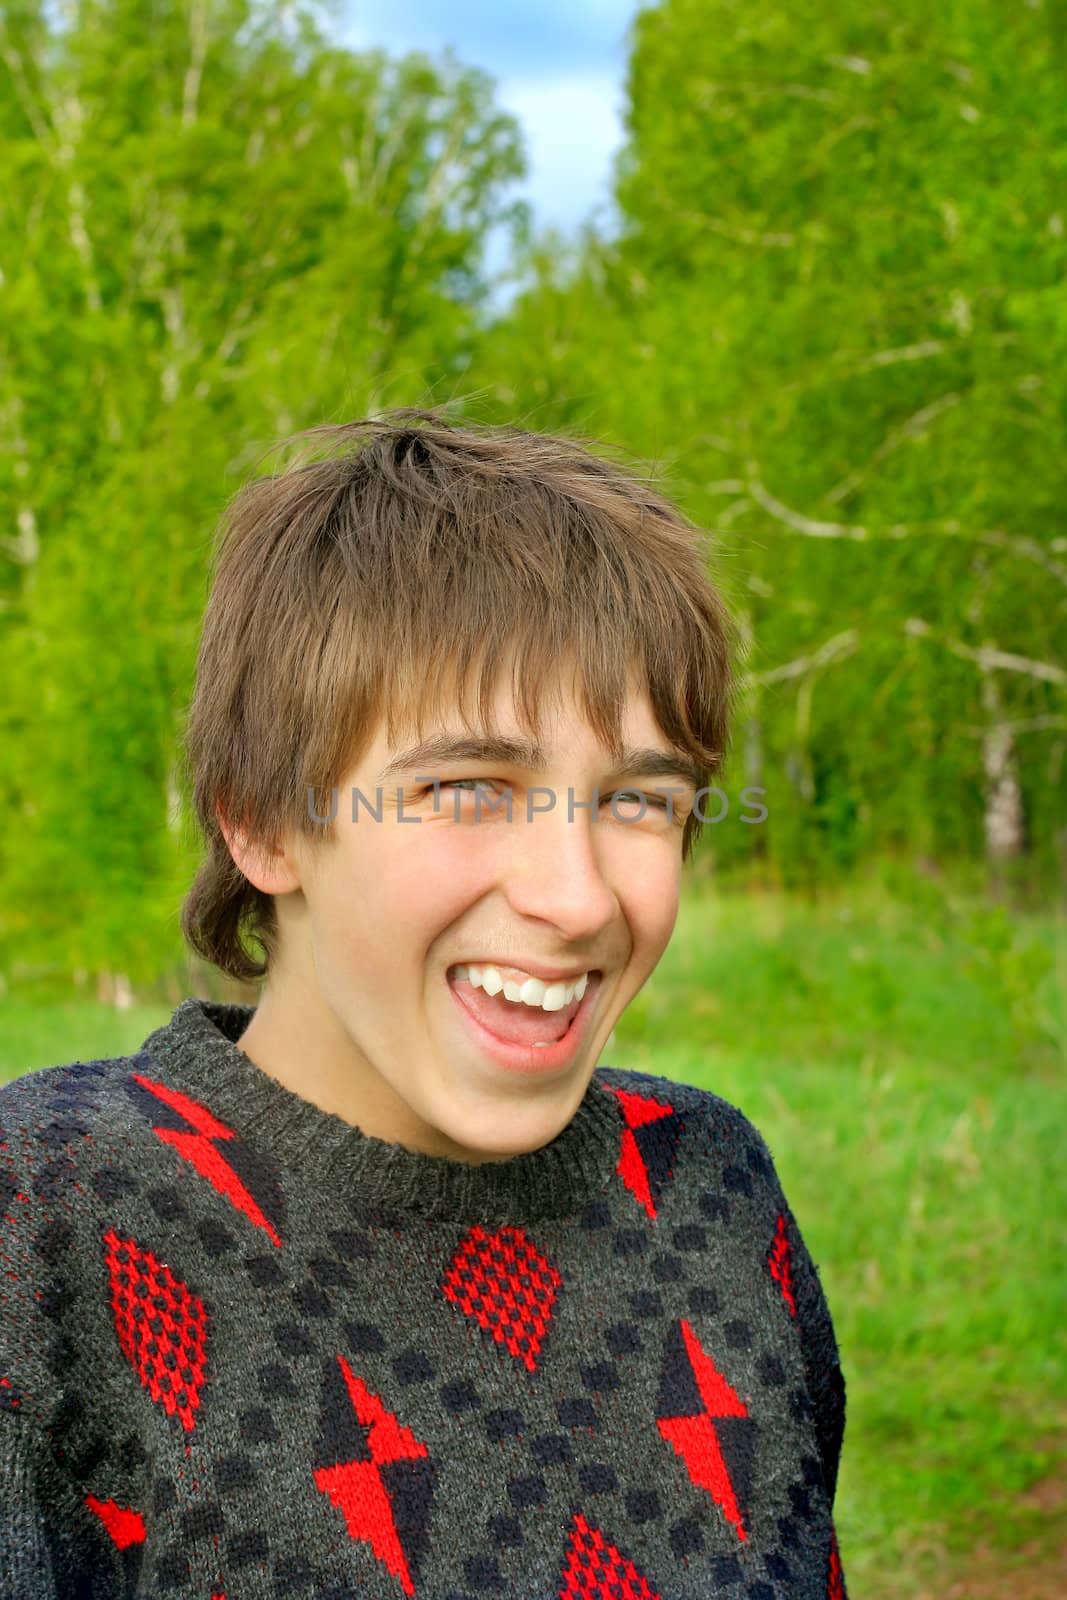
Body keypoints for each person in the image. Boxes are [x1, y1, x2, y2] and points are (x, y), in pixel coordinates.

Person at [0, 409, 847, 1597]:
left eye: (639, 800)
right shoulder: (45, 1216)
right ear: (257, 818)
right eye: (465, 787)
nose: (576, 896)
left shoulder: (707, 1184)